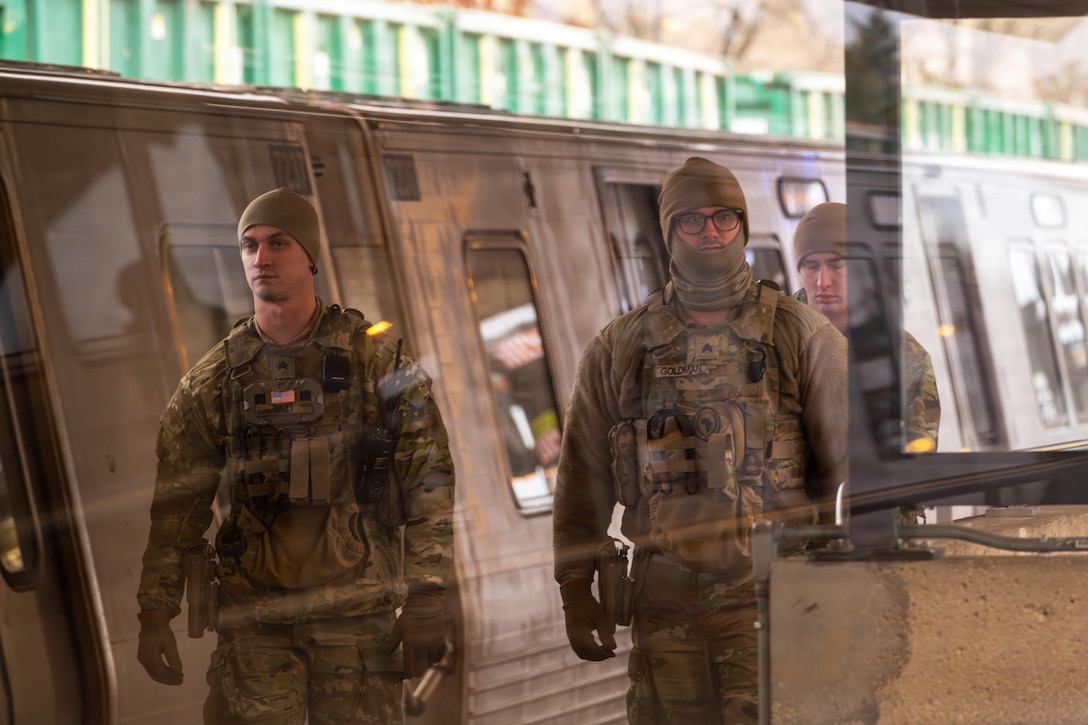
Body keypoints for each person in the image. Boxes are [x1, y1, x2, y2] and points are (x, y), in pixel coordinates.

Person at [135, 188, 455, 724]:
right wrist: (155, 612)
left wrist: (427, 596)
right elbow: (177, 506)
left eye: (277, 243)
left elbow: (430, 478)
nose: (261, 259)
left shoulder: (377, 361)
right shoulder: (212, 382)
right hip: (255, 630)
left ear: (310, 255)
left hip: (356, 628)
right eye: (249, 246)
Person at [552, 157, 848, 723]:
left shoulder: (801, 335)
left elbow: (851, 478)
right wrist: (574, 588)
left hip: (775, 602)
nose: (709, 233)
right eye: (691, 221)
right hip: (664, 607)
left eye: (723, 219)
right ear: (669, 231)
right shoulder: (622, 346)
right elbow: (581, 481)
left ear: (740, 225)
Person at [793, 201, 940, 452]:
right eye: (811, 266)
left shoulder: (905, 357)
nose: (823, 281)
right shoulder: (770, 341)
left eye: (837, 265)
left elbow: (912, 463)